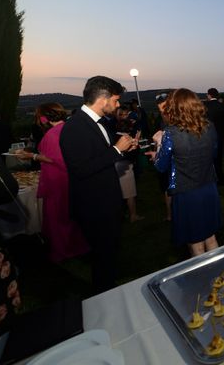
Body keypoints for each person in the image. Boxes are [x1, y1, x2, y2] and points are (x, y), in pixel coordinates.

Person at [60, 76, 138, 293]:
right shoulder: (74, 128)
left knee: (109, 254)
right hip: (93, 206)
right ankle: (104, 299)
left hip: (108, 201)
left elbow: (101, 155)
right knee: (102, 258)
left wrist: (124, 148)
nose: (118, 104)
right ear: (103, 99)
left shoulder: (101, 122)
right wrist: (116, 151)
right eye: (115, 100)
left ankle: (110, 290)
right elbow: (81, 169)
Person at [150, 88, 221, 256]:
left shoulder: (170, 133)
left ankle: (204, 279)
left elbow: (160, 166)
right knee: (211, 237)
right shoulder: (209, 127)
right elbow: (214, 154)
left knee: (195, 242)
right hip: (209, 187)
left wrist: (159, 145)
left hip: (187, 193)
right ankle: (219, 276)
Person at [16, 104, 89, 262]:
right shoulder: (71, 128)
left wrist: (32, 157)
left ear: (43, 118)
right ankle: (79, 246)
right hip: (73, 178)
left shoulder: (53, 134)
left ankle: (64, 250)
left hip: (58, 180)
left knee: (59, 217)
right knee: (73, 216)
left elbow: (53, 159)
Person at [114, 106, 143, 222]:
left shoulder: (113, 135)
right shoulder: (126, 138)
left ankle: (122, 214)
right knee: (130, 192)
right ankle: (133, 216)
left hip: (115, 165)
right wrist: (136, 143)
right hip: (124, 166)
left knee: (120, 192)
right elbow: (131, 154)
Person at [153, 92, 172, 221]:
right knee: (167, 187)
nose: (163, 111)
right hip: (165, 156)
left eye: (164, 107)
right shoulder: (162, 119)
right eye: (160, 109)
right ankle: (170, 214)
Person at [205, 88, 224, 186]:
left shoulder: (205, 106)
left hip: (208, 136)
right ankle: (220, 179)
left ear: (209, 95)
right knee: (218, 159)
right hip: (220, 135)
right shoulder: (223, 106)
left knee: (208, 159)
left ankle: (211, 179)